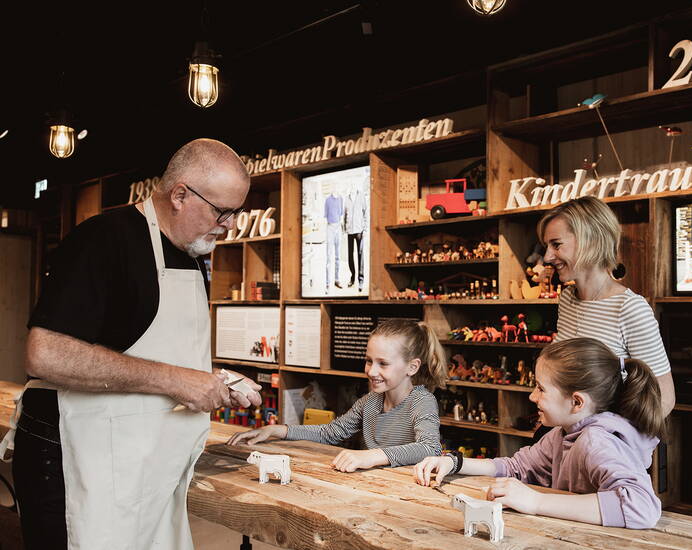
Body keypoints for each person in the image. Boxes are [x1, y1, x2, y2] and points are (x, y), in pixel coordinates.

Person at [1, 139, 263, 550]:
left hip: (148, 466)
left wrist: (213, 381)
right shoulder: (105, 240)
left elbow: (148, 353)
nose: (229, 224)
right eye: (222, 211)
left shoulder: (192, 255)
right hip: (77, 463)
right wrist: (177, 380)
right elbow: (45, 352)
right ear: (180, 194)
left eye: (236, 212)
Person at [414, 338, 663, 529]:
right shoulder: (561, 434)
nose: (533, 396)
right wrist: (453, 462)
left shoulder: (597, 441)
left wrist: (536, 502)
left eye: (541, 389)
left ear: (577, 402)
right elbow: (517, 466)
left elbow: (642, 507)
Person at [229, 319, 447, 471]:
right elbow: (331, 432)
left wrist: (371, 456)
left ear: (412, 367)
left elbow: (429, 448)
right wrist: (276, 430)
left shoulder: (421, 401)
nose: (371, 371)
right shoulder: (370, 401)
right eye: (369, 360)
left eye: (383, 363)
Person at [537, 196, 675, 417]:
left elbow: (663, 399)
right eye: (547, 246)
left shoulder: (629, 308)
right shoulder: (568, 300)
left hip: (604, 447)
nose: (547, 256)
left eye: (556, 244)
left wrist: (613, 439)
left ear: (590, 241)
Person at [343, 182, 368, 292]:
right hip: (349, 231)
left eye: (353, 185)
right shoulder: (347, 199)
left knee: (360, 255)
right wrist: (344, 228)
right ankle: (352, 277)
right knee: (350, 256)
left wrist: (365, 229)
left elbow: (365, 212)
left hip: (359, 231)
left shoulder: (361, 196)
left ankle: (361, 280)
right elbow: (345, 214)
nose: (352, 187)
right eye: (350, 185)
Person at [324, 190, 344, 292]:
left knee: (338, 257)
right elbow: (326, 216)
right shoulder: (327, 200)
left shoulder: (341, 198)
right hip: (330, 228)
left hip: (338, 228)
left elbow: (341, 214)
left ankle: (337, 280)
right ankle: (327, 283)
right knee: (328, 257)